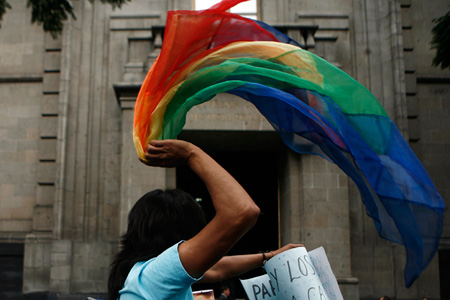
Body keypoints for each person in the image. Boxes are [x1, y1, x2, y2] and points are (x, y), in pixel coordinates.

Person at [107, 139, 302, 300]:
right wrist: (191, 153)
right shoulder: (160, 272)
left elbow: (217, 268)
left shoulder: (146, 274)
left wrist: (269, 256)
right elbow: (243, 211)